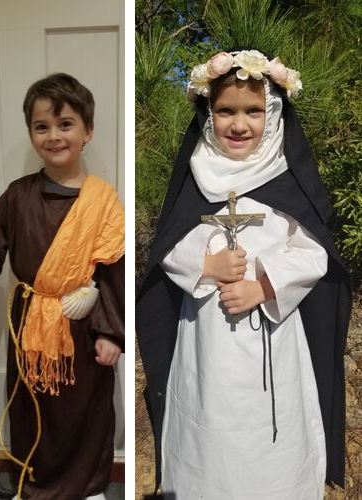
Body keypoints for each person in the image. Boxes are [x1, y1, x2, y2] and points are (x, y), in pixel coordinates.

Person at [136, 49, 351, 498]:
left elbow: (312, 251)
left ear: (272, 114)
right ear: (207, 113)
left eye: (253, 111)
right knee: (207, 415)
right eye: (225, 111)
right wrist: (204, 262)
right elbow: (169, 246)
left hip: (272, 333)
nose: (239, 124)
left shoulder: (284, 176)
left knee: (270, 423)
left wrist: (264, 285)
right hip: (206, 335)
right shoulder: (197, 175)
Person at [0, 73, 125, 499]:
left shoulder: (104, 201)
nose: (53, 136)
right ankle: (36, 485)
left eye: (65, 124)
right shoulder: (17, 196)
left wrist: (111, 333)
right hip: (30, 323)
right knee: (35, 409)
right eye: (41, 126)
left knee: (86, 410)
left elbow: (112, 271)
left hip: (84, 327)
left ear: (88, 130)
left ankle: (87, 486)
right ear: (30, 132)